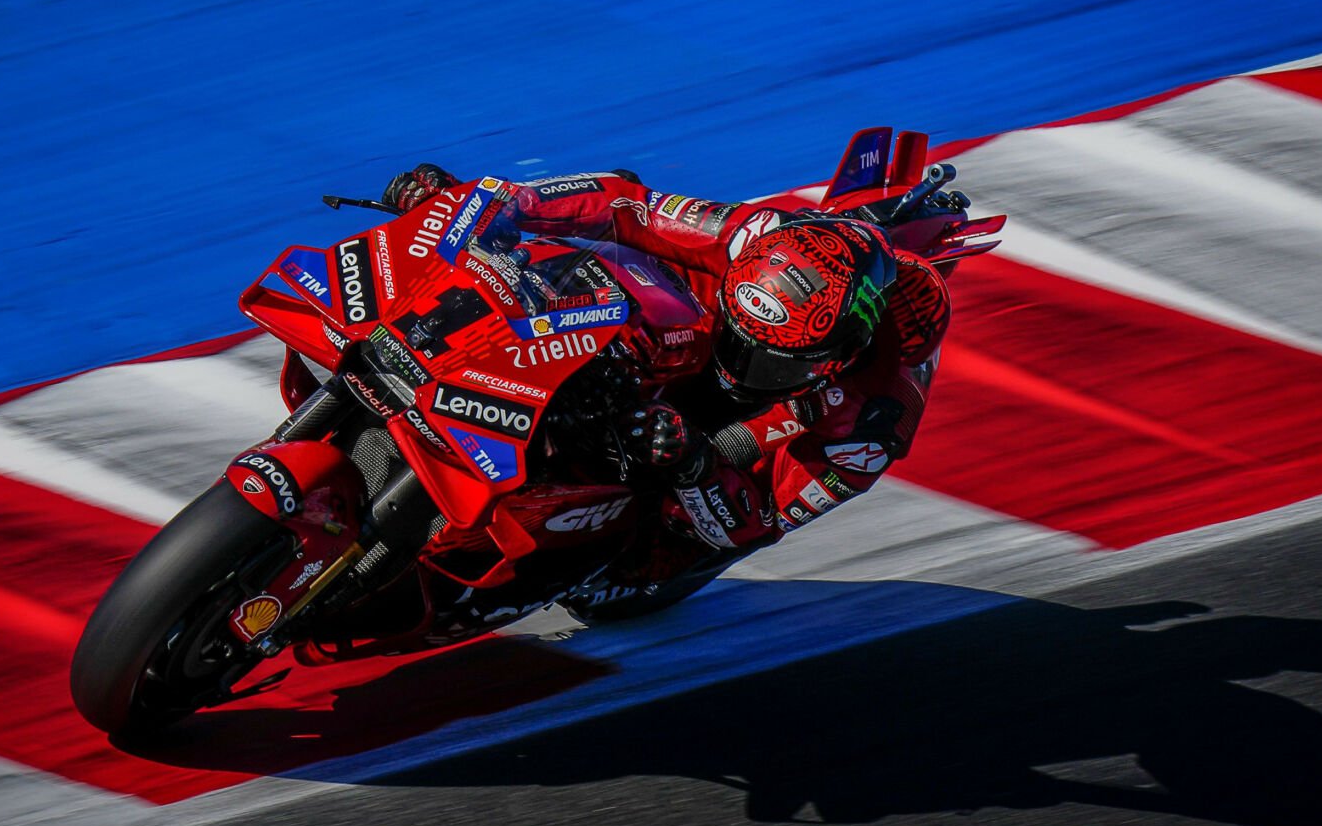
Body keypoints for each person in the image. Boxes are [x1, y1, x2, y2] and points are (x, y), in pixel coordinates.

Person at [381, 162, 957, 556]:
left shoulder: (874, 422)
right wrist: (495, 203)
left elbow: (764, 521)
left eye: (771, 361)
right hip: (674, 320)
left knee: (658, 546)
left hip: (721, 455)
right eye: (741, 339)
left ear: (840, 356)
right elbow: (626, 201)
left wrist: (693, 466)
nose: (740, 366)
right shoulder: (756, 234)